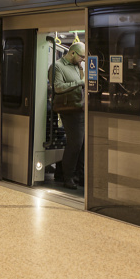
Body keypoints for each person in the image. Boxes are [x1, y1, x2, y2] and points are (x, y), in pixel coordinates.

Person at [50, 41, 87, 189]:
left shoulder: (78, 67)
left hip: (82, 108)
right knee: (75, 144)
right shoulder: (57, 66)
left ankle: (80, 175)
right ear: (72, 53)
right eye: (82, 57)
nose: (83, 60)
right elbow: (58, 87)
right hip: (69, 110)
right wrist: (79, 82)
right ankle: (68, 177)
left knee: (83, 145)